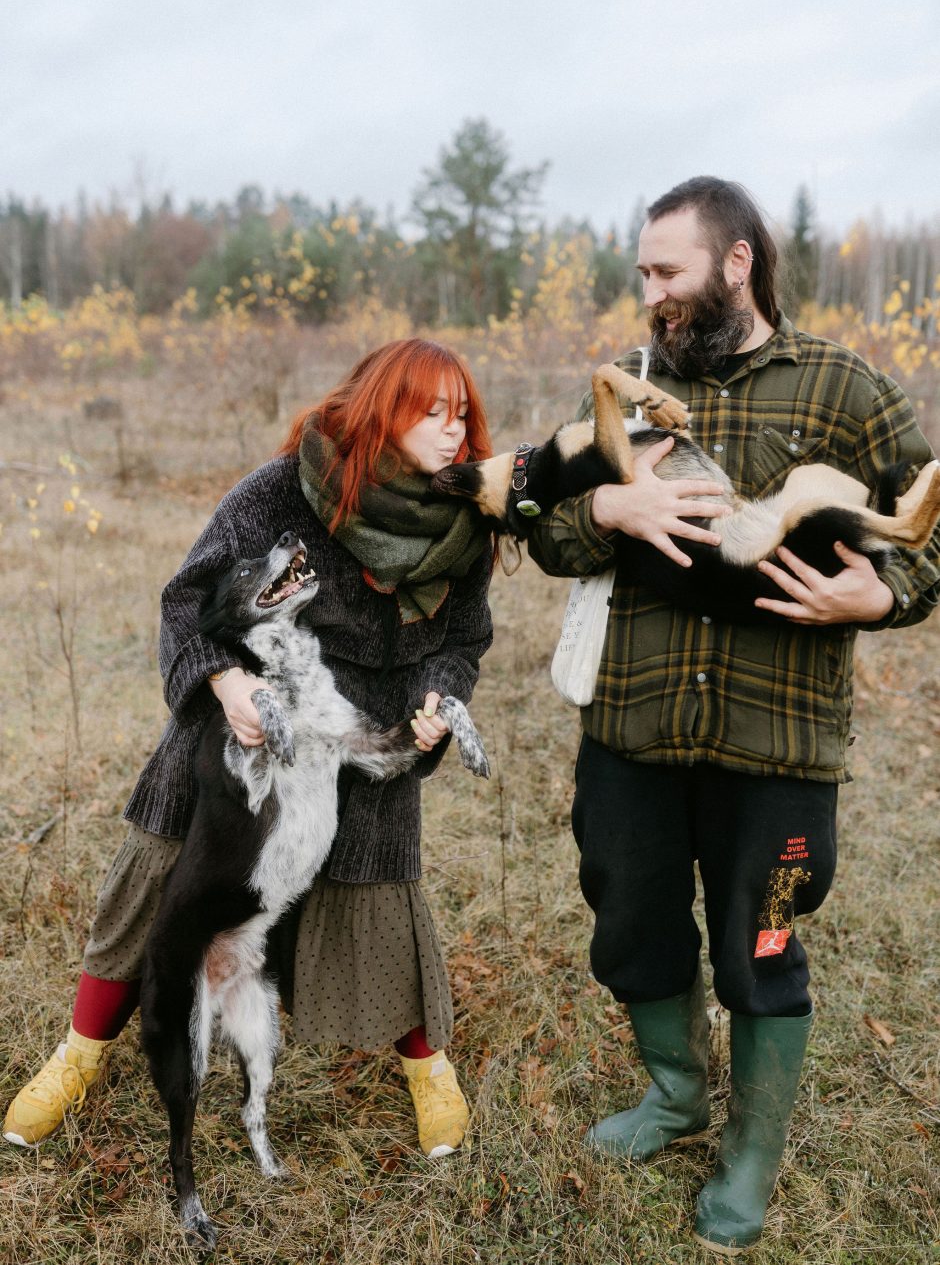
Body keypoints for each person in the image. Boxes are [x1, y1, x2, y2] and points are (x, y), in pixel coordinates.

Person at [528, 177, 940, 1254]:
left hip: (778, 744)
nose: (650, 293)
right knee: (632, 920)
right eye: (643, 275)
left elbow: (925, 529)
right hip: (633, 731)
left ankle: (750, 1153)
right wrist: (606, 504)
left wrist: (883, 595)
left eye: (667, 271)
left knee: (763, 938)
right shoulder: (622, 389)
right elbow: (542, 526)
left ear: (738, 261)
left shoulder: (845, 390)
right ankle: (673, 1096)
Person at [5, 338, 494, 1160]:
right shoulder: (283, 493)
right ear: (381, 411)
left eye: (462, 415)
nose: (454, 432)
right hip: (236, 741)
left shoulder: (463, 526)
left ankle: (427, 1072)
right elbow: (186, 599)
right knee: (156, 886)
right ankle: (78, 1055)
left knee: (381, 908)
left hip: (359, 742)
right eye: (431, 412)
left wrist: (438, 700)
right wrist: (225, 686)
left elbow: (463, 641)